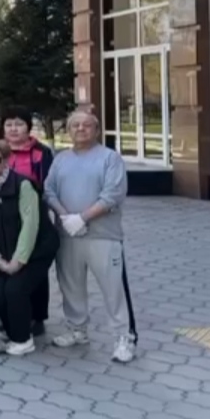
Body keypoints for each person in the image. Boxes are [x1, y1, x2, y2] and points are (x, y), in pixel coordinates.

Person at [46, 111, 136, 363]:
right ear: (68, 131)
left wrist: (83, 218)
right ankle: (77, 330)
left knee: (113, 289)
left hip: (103, 236)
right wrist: (66, 217)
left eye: (87, 125)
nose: (80, 129)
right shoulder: (61, 159)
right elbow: (49, 191)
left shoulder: (110, 158)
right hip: (68, 235)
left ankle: (123, 338)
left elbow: (112, 195)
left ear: (96, 130)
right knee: (71, 286)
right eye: (75, 125)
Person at [0, 139, 59, 356]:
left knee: (15, 289)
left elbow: (30, 226)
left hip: (38, 248)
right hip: (4, 253)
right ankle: (12, 331)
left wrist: (18, 261)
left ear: (5, 161)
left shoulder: (23, 185)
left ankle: (23, 340)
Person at [2, 106, 55, 335]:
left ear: (28, 127)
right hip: (4, 219)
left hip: (34, 218)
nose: (13, 129)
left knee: (34, 269)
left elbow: (48, 186)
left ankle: (37, 317)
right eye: (9, 124)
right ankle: (7, 313)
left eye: (19, 124)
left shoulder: (41, 152)